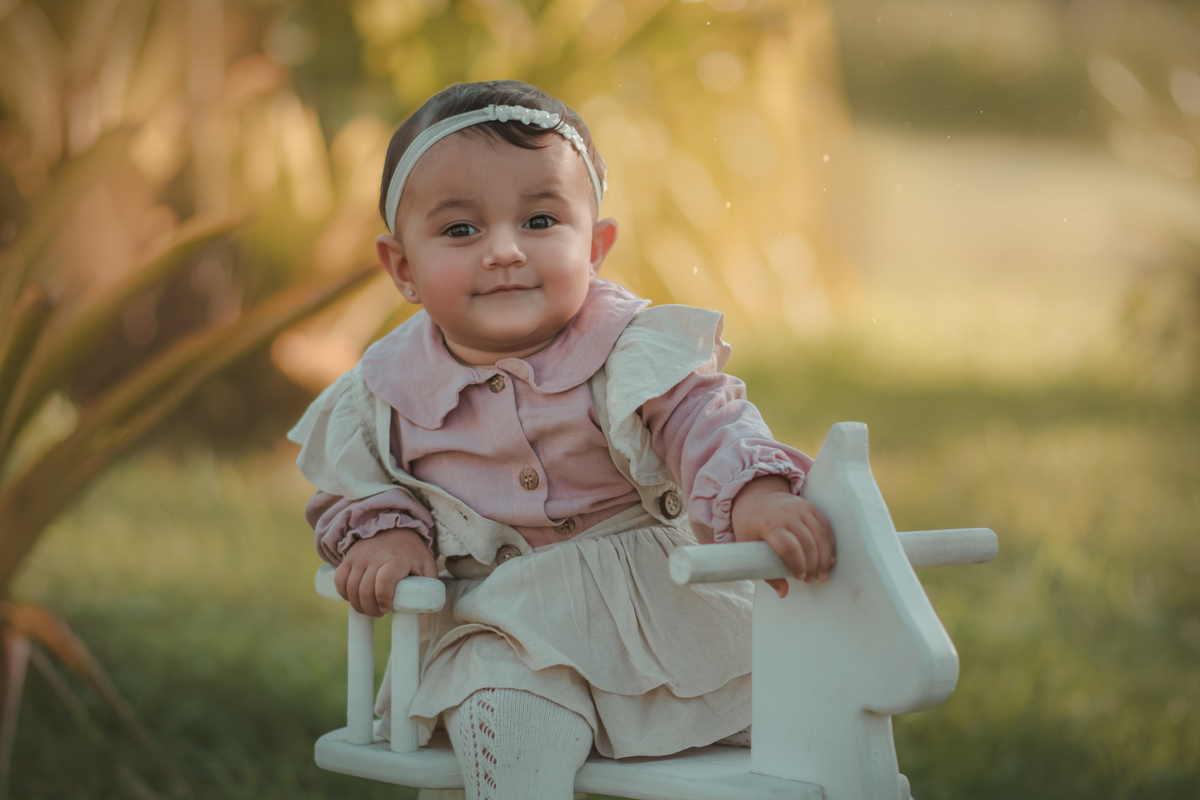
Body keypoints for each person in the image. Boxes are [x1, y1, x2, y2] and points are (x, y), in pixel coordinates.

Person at [289, 79, 835, 800]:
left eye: (541, 220)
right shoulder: (384, 391)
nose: (506, 252)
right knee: (506, 732)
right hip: (501, 631)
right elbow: (358, 484)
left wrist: (756, 495)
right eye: (461, 231)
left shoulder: (628, 350)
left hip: (658, 612)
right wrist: (387, 536)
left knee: (802, 721)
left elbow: (707, 421)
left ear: (598, 245)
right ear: (403, 269)